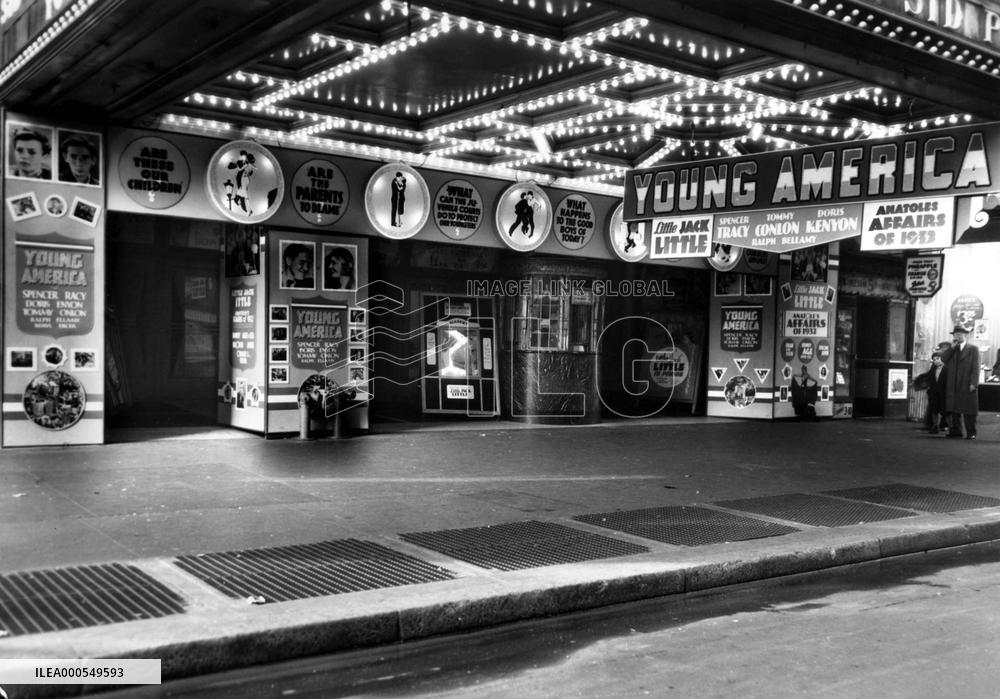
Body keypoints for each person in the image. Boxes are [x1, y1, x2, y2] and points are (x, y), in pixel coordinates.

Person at [940, 325, 980, 439]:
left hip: (967, 383)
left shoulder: (973, 349)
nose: (958, 336)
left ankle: (971, 433)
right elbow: (943, 359)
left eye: (960, 334)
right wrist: (951, 348)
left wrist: (974, 383)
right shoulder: (952, 349)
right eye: (956, 334)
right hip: (953, 384)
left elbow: (976, 367)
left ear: (965, 335)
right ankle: (956, 431)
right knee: (954, 409)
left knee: (969, 410)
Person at [914, 351, 948, 433]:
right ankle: (935, 426)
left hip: (944, 393)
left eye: (937, 359)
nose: (936, 361)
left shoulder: (947, 368)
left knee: (944, 411)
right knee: (934, 410)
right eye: (934, 360)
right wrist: (918, 379)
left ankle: (946, 426)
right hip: (934, 392)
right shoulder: (933, 368)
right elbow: (928, 376)